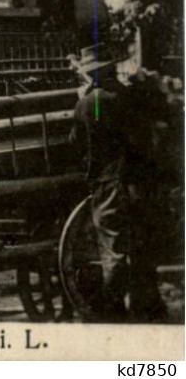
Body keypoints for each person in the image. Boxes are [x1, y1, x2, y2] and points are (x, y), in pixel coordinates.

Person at [69, 44, 174, 322]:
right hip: (137, 181)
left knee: (113, 249)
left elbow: (75, 143)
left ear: (91, 75)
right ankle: (147, 306)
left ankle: (113, 312)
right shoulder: (130, 97)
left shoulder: (85, 104)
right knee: (141, 244)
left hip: (107, 184)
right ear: (112, 68)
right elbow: (147, 137)